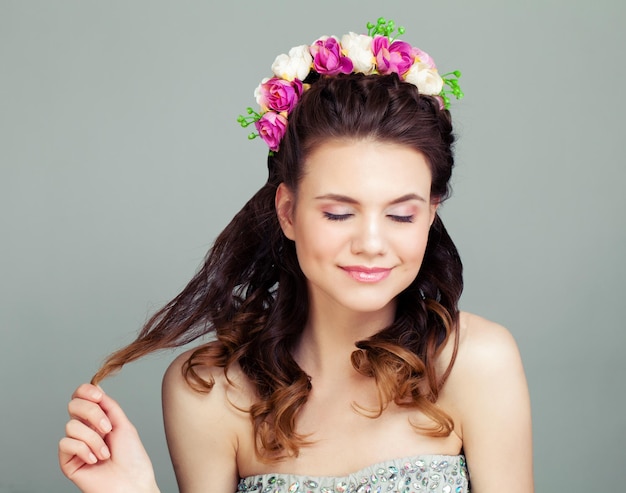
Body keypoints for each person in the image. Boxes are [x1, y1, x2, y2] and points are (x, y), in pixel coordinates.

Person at [59, 18, 533, 493]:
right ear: (288, 211)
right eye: (338, 214)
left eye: (401, 216)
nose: (371, 243)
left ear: (431, 216)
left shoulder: (477, 362)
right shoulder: (209, 392)